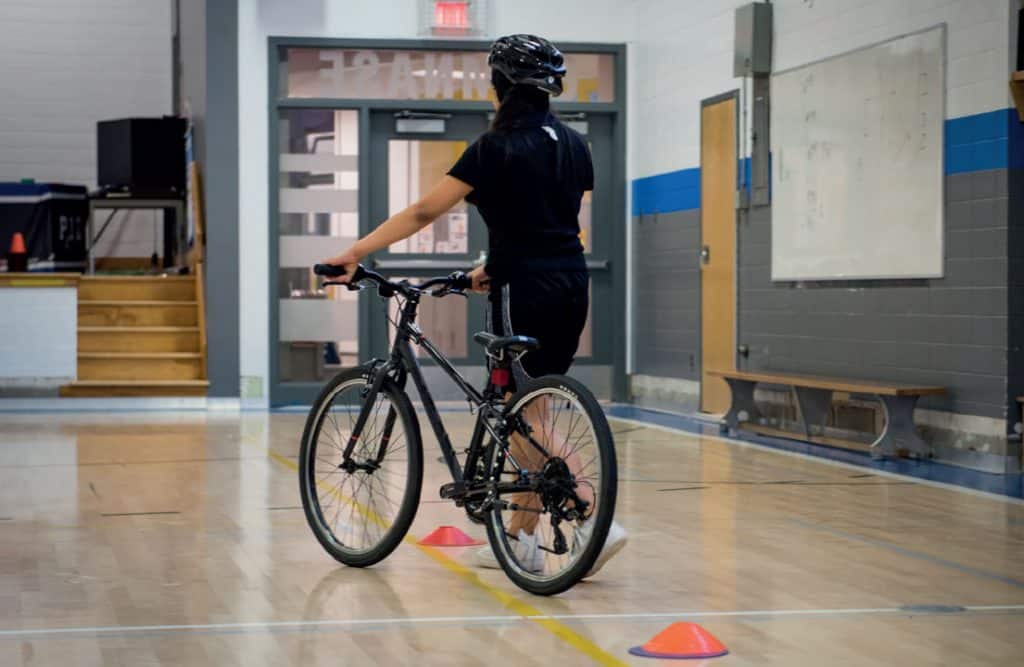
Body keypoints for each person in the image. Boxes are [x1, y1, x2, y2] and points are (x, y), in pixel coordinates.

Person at [322, 34, 626, 576]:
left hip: (524, 290)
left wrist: (355, 252)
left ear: (500, 86)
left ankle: (590, 514)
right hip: (569, 283)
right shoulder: (576, 145)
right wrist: (495, 265)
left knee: (527, 413)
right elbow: (550, 223)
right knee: (533, 406)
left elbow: (421, 213)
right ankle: (519, 538)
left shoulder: (495, 146)